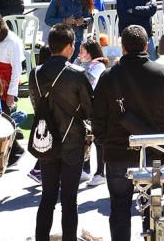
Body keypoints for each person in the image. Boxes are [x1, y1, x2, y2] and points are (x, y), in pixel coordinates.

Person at [92, 25, 164, 241]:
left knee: (120, 208)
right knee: (153, 207)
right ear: (145, 46)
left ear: (123, 48)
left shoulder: (108, 76)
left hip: (118, 151)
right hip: (152, 151)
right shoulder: (162, 73)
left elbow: (97, 117)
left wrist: (105, 142)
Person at [28, 23, 94, 241]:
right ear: (69, 46)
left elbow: (37, 104)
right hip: (72, 140)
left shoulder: (35, 73)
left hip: (45, 137)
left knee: (47, 197)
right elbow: (89, 109)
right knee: (69, 199)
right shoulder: (77, 74)